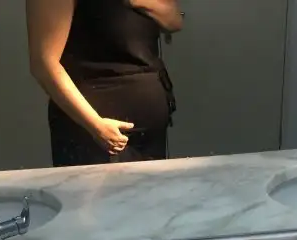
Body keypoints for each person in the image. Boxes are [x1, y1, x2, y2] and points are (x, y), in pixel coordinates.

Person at [26, 0, 183, 167]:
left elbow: (174, 20)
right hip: (95, 131)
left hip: (149, 130)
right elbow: (44, 64)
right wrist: (96, 126)